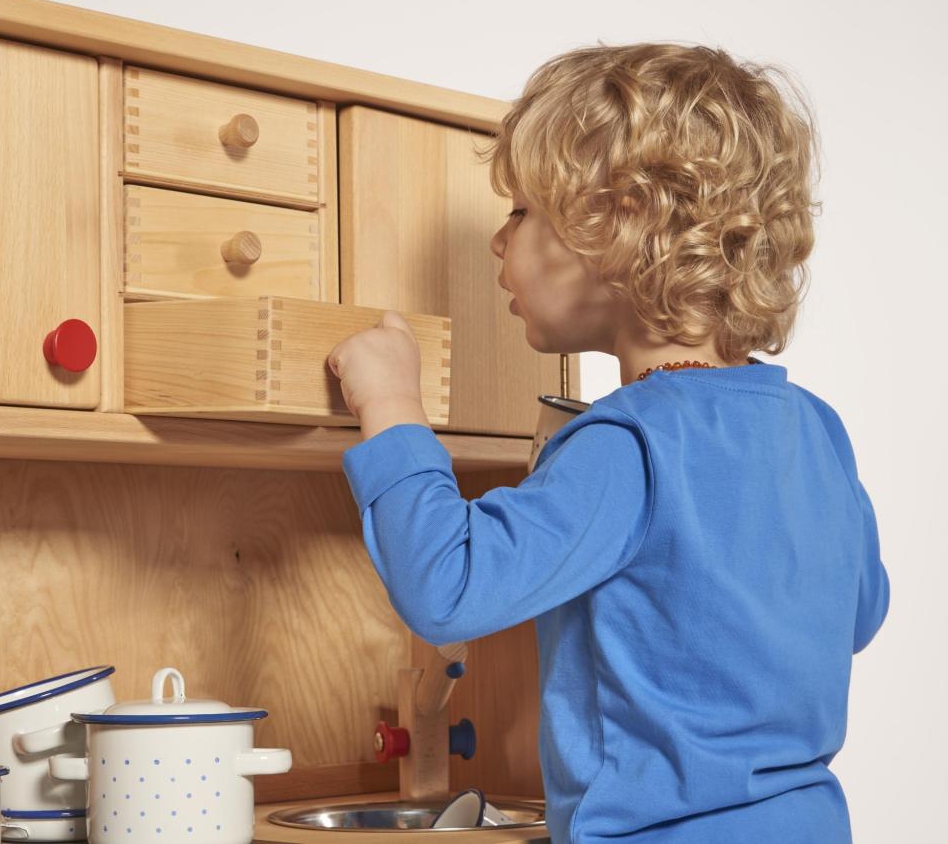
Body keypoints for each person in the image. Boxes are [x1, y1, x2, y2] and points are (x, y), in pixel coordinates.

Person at [327, 42, 890, 844]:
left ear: (618, 224)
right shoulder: (817, 431)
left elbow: (448, 584)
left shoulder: (625, 444)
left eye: (520, 212)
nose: (498, 241)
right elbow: (858, 612)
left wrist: (390, 400)